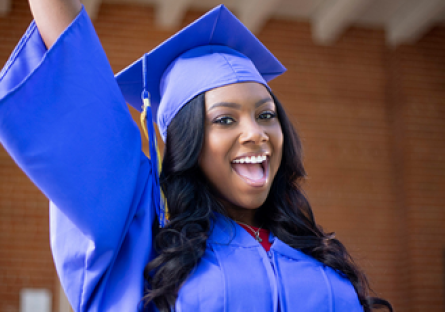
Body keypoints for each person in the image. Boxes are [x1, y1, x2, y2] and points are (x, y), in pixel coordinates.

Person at [0, 1, 392, 311]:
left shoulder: (317, 256)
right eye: (224, 119)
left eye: (266, 114)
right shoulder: (147, 254)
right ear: (188, 143)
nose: (256, 133)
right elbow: (82, 89)